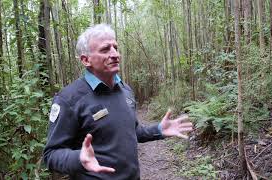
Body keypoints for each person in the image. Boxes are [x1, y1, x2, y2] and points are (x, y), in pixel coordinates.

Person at [43, 24, 193, 180]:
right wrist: (78, 158)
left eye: (115, 47)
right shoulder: (69, 99)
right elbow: (51, 154)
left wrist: (159, 130)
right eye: (105, 49)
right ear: (86, 60)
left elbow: (133, 132)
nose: (115, 54)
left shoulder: (125, 90)